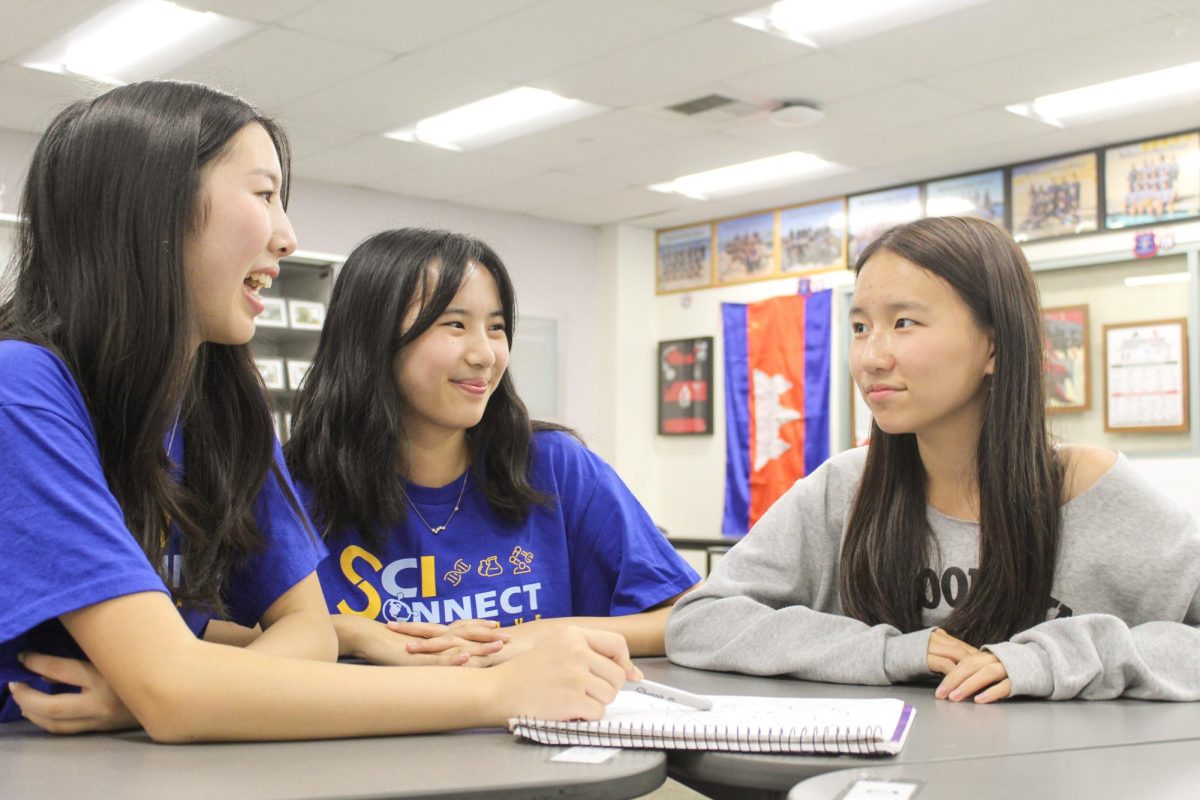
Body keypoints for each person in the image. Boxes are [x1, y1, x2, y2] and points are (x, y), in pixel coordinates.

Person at [1, 81, 637, 740]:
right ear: (152, 208)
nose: (287, 235)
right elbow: (176, 690)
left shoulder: (222, 403)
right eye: (263, 194)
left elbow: (305, 632)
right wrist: (496, 689)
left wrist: (200, 688)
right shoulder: (22, 388)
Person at [666, 215, 1200, 703]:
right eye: (860, 327)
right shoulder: (842, 491)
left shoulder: (1088, 489)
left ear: (994, 346)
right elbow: (698, 622)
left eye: (904, 323)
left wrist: (1055, 658)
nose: (872, 357)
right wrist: (887, 652)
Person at [285, 227, 701, 667]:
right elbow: (212, 638)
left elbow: (692, 616)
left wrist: (544, 635)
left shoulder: (554, 466)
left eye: (497, 327)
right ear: (373, 338)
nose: (485, 354)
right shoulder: (292, 485)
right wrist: (348, 634)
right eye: (455, 324)